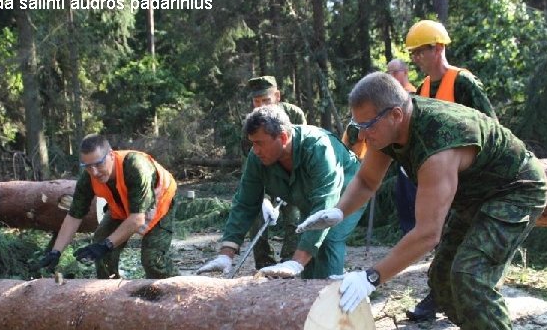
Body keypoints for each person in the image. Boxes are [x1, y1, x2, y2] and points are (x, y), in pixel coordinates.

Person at [297, 72, 547, 330]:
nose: (362, 136)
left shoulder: (438, 143)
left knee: (469, 276)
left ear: (395, 114)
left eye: (367, 126)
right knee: (441, 279)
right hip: (474, 195)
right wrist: (339, 211)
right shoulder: (387, 129)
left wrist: (371, 276)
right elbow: (367, 182)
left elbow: (427, 233)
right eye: (357, 125)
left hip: (514, 191)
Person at [404, 19, 497, 330]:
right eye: (413, 54)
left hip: (475, 180)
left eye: (421, 52)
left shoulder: (464, 82)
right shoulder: (424, 89)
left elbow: (490, 126)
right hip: (445, 180)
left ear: (438, 48)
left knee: (468, 258)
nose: (416, 59)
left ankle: (475, 323)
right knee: (442, 246)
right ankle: (439, 300)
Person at [197, 105, 366, 279]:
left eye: (259, 143)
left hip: (347, 193)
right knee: (308, 241)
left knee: (328, 241)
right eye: (252, 143)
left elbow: (325, 204)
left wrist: (296, 263)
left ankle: (332, 298)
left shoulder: (318, 148)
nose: (255, 150)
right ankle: (308, 298)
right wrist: (226, 254)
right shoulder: (257, 158)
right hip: (310, 199)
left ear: (283, 137)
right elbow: (245, 203)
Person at [34, 134, 179, 279]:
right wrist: (56, 252)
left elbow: (137, 220)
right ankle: (108, 293)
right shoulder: (88, 178)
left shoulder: (135, 166)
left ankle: (183, 290)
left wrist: (106, 245)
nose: (94, 172)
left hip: (160, 205)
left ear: (111, 155)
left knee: (152, 261)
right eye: (88, 166)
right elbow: (74, 216)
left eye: (98, 164)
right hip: (122, 209)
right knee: (101, 248)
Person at [243, 76, 307, 271]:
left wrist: (291, 188)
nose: (260, 106)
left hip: (292, 174)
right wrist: (263, 198)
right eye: (256, 102)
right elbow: (251, 166)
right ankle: (264, 264)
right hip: (266, 177)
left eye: (266, 100)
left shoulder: (294, 115)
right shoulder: (251, 123)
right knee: (256, 214)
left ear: (277, 96)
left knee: (295, 216)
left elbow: (302, 150)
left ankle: (289, 261)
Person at [386, 59, 418, 236]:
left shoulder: (413, 95)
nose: (391, 76)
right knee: (403, 197)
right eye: (388, 72)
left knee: (415, 197)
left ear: (405, 72)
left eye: (394, 72)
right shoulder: (390, 99)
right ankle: (408, 234)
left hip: (415, 156)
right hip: (401, 156)